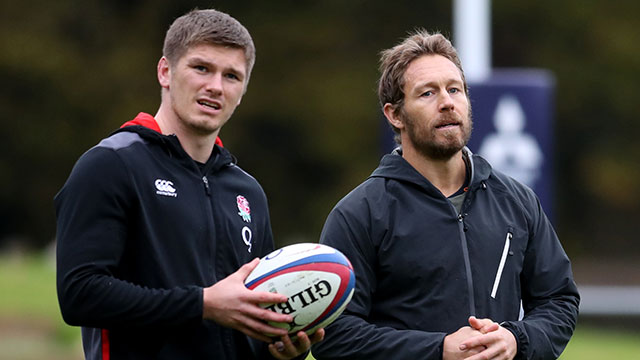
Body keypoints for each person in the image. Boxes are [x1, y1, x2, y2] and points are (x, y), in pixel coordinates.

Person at [55, 9, 323, 360]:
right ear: (165, 72)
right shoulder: (112, 164)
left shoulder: (247, 192)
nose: (215, 86)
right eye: (201, 68)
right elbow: (79, 295)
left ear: (242, 91)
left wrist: (281, 350)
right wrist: (202, 304)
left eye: (231, 76)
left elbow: (249, 316)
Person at [311, 30, 579, 360]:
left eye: (455, 89)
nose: (447, 102)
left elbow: (559, 301)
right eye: (427, 93)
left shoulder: (517, 201)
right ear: (395, 114)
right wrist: (438, 351)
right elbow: (334, 336)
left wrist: (516, 339)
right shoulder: (359, 213)